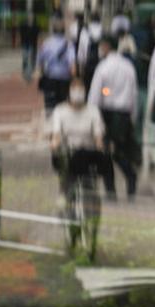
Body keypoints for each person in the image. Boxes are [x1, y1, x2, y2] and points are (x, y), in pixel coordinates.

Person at [52, 77, 108, 256]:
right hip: (69, 157)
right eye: (74, 89)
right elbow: (57, 135)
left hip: (88, 156)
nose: (78, 93)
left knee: (92, 192)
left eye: (81, 89)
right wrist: (55, 145)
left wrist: (100, 148)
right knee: (67, 189)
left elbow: (98, 136)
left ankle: (92, 225)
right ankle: (66, 218)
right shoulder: (60, 111)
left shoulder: (93, 112)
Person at [90, 35, 139, 201]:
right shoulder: (128, 67)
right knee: (121, 152)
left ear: (105, 46)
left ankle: (111, 190)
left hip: (107, 113)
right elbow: (134, 93)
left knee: (105, 154)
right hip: (124, 114)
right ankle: (131, 180)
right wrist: (133, 116)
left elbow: (96, 95)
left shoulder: (103, 68)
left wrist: (93, 117)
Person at [36, 18, 75, 113]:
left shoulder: (46, 44)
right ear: (64, 31)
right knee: (63, 105)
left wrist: (41, 75)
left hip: (50, 78)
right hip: (64, 80)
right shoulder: (69, 44)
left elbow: (39, 62)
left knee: (50, 105)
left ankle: (51, 122)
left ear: (53, 30)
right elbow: (72, 64)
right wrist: (74, 79)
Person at [76, 11, 105, 86]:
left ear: (91, 20)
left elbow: (80, 52)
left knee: (88, 88)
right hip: (101, 66)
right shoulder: (103, 31)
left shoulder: (84, 31)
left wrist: (81, 68)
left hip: (88, 66)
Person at [20, 14, 40, 83]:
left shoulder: (35, 26)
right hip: (25, 44)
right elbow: (22, 32)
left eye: (31, 18)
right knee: (25, 58)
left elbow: (36, 34)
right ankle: (25, 72)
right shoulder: (24, 26)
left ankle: (29, 75)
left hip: (32, 45)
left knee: (31, 60)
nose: (30, 19)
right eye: (29, 18)